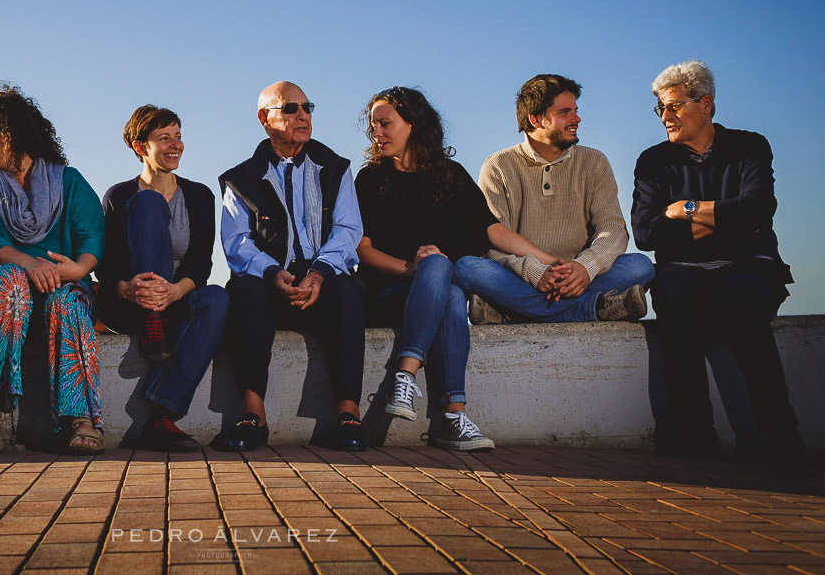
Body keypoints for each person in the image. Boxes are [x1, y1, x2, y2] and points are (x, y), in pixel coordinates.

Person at [357, 87, 561, 450]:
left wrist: (549, 262)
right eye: (373, 127)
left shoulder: (450, 175)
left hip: (441, 289)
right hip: (387, 291)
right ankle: (452, 414)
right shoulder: (369, 180)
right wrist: (412, 269)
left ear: (414, 125)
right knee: (439, 272)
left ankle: (408, 380)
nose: (377, 134)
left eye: (385, 124)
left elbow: (493, 230)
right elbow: (362, 250)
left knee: (447, 285)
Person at [632, 60, 802, 459]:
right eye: (660, 108)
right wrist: (727, 219)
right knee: (673, 296)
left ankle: (778, 432)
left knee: (739, 300)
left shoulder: (749, 146)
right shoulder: (653, 161)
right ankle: (693, 434)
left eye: (674, 106)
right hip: (683, 270)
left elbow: (759, 211)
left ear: (705, 104)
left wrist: (686, 209)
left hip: (751, 263)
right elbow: (646, 233)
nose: (665, 117)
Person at [219, 81, 368, 452]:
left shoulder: (335, 168)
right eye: (290, 109)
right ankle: (253, 415)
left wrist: (319, 272)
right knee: (243, 287)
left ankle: (349, 413)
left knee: (348, 288)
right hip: (271, 282)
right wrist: (272, 272)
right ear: (264, 119)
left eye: (307, 107)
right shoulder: (240, 179)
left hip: (322, 278)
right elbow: (236, 243)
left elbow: (349, 229)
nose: (303, 115)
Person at [0, 83, 105, 455]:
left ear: (11, 130)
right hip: (6, 293)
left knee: (68, 302)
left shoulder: (68, 181)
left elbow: (91, 235)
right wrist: (29, 263)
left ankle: (81, 418)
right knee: (9, 283)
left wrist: (78, 270)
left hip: (64, 285)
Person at [457, 74, 654, 324]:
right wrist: (536, 272)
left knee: (640, 266)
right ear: (536, 119)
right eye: (565, 112)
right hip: (523, 276)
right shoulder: (498, 166)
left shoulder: (594, 162)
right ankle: (593, 309)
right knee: (470, 267)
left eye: (576, 111)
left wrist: (586, 267)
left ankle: (515, 311)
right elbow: (494, 243)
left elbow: (613, 230)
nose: (577, 119)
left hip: (581, 276)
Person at [98, 105, 230, 452]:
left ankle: (161, 416)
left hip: (174, 299)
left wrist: (173, 293)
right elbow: (105, 262)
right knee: (148, 204)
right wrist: (125, 289)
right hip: (130, 302)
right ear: (141, 147)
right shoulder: (119, 196)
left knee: (216, 297)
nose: (176, 145)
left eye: (178, 137)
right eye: (164, 138)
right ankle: (151, 320)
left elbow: (201, 262)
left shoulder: (199, 196)